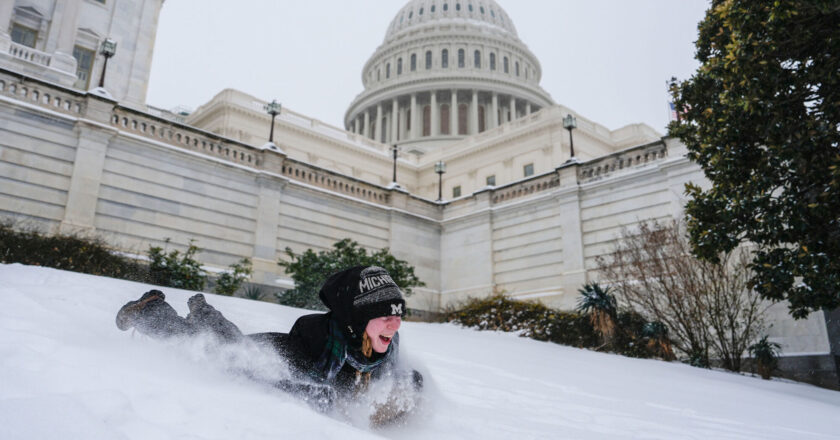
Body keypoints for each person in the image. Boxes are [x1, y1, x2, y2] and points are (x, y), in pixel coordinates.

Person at [115, 265, 422, 421]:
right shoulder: (324, 339)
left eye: (398, 315)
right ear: (356, 319)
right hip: (269, 355)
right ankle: (150, 311)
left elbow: (396, 385)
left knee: (220, 337)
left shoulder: (386, 348)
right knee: (210, 347)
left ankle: (203, 312)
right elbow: (292, 388)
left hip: (286, 364)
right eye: (383, 316)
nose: (394, 324)